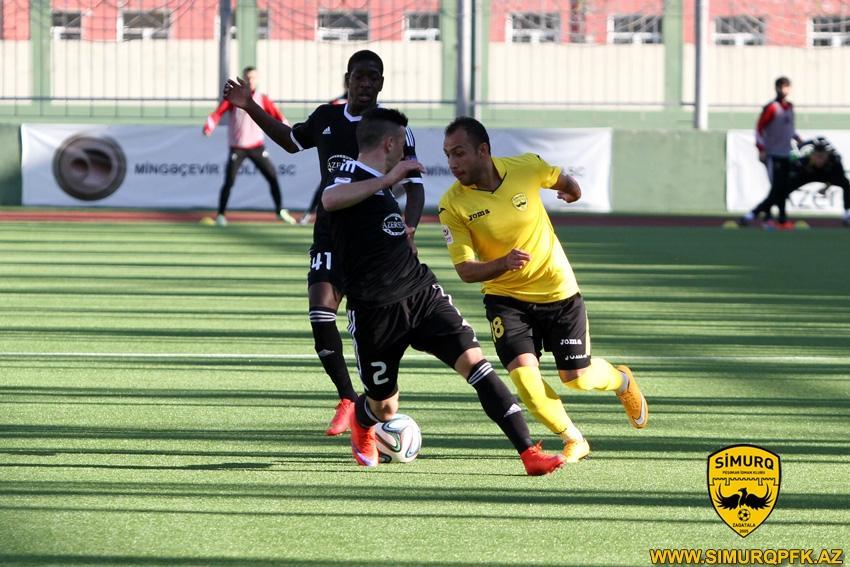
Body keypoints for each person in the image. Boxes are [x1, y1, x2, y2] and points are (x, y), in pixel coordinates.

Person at [322, 107, 565, 475]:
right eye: (403, 144)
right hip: (375, 312)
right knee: (384, 407)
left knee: (477, 365)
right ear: (390, 143)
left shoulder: (383, 183)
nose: (405, 152)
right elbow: (330, 199)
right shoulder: (350, 172)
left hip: (422, 295)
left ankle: (530, 453)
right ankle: (362, 418)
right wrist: (390, 179)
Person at [223, 51, 425, 436]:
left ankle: (376, 404)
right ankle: (347, 398)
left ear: (381, 83)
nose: (366, 83)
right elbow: (290, 141)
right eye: (360, 76)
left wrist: (410, 228)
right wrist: (249, 105)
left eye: (374, 77)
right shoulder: (325, 118)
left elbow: (414, 186)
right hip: (331, 231)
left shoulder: (393, 127)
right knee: (320, 311)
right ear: (348, 79)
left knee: (376, 329)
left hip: (374, 238)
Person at [437, 117, 649, 462]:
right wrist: (503, 263)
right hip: (505, 300)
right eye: (447, 155)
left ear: (483, 150)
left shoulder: (525, 167)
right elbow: (465, 270)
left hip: (557, 292)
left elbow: (561, 179)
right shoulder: (453, 205)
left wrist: (573, 191)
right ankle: (573, 438)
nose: (452, 163)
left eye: (459, 153)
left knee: (577, 378)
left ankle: (621, 380)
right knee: (526, 381)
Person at [203, 66, 296, 226]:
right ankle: (221, 215)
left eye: (253, 77)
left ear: (257, 80)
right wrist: (209, 126)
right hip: (238, 147)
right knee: (229, 181)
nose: (250, 80)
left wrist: (290, 131)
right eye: (247, 77)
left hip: (257, 147)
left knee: (272, 177)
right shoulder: (235, 98)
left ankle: (280, 211)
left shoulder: (262, 99)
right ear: (243, 80)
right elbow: (218, 113)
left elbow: (278, 116)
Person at [740, 76, 803, 229]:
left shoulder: (790, 107)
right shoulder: (771, 108)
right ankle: (763, 217)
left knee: (783, 188)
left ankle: (782, 220)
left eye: (786, 87)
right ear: (776, 88)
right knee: (776, 188)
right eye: (780, 87)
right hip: (773, 154)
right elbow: (759, 129)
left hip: (786, 153)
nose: (783, 90)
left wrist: (796, 137)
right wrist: (761, 149)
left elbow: (789, 128)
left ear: (789, 89)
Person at [298, 89, 351, 226]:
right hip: (336, 153)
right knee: (327, 185)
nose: (364, 84)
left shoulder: (376, 111)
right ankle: (310, 213)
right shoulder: (334, 105)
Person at [786, 137, 850, 227]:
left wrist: (826, 187)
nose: (820, 159)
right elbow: (792, 174)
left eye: (822, 156)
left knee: (846, 184)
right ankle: (778, 217)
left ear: (827, 155)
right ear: (812, 155)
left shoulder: (835, 160)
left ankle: (847, 214)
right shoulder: (803, 161)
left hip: (826, 175)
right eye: (817, 156)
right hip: (808, 175)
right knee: (782, 189)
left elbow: (838, 176)